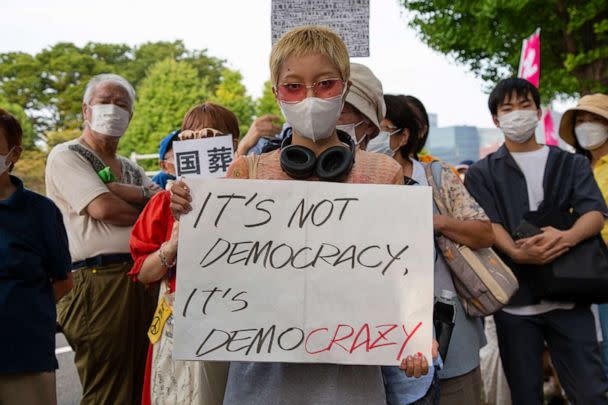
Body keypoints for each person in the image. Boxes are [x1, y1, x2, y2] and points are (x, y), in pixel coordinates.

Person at [169, 25, 434, 405]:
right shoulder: (247, 170)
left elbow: (400, 272)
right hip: (261, 377)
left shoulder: (382, 173)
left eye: (324, 84)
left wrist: (415, 332)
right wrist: (188, 210)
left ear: (343, 87)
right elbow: (217, 266)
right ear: (277, 92)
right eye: (293, 86)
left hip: (350, 375)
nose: (309, 97)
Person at [465, 78, 608, 404]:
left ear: (538, 111)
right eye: (508, 108)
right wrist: (514, 250)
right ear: (496, 120)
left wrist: (567, 237)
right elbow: (488, 221)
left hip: (571, 295)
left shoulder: (570, 163)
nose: (518, 114)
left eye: (525, 105)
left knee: (591, 392)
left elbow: (595, 213)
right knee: (525, 394)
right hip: (515, 300)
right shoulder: (482, 173)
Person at [45, 73, 160, 404]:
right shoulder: (68, 155)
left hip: (141, 275)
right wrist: (143, 206)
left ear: (131, 116)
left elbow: (161, 205)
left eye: (121, 104)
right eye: (104, 102)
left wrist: (129, 191)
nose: (113, 109)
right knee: (108, 388)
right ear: (86, 109)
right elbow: (103, 208)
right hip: (97, 281)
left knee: (143, 382)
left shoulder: (129, 167)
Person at [376, 95, 493, 405]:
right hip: (380, 334)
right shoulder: (353, 178)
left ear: (402, 136)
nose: (373, 135)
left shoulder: (437, 176)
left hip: (447, 321)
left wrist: (434, 221)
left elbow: (484, 233)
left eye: (382, 128)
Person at [129, 102, 238, 405]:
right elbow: (144, 272)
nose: (199, 144)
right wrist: (172, 247)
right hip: (179, 322)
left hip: (237, 321)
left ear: (232, 145)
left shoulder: (252, 197)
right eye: (188, 138)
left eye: (210, 136)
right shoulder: (162, 204)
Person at [0, 109, 72, 405]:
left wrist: (24, 311)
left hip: (25, 356)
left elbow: (64, 280)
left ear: (13, 153)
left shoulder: (40, 212)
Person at [558, 93, 608, 375]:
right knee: (592, 351)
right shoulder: (574, 168)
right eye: (581, 120)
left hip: (602, 265)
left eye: (595, 119)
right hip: (580, 270)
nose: (587, 125)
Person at [240, 62, 386, 154]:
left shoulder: (387, 176)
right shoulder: (264, 160)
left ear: (369, 125)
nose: (321, 117)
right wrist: (243, 148)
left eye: (339, 111)